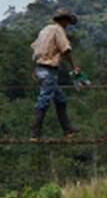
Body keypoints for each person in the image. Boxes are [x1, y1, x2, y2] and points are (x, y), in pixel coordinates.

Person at [30, 9, 81, 139]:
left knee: (61, 99)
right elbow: (66, 49)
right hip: (48, 70)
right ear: (64, 20)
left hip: (40, 68)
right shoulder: (58, 30)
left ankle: (68, 130)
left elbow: (36, 50)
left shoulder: (45, 30)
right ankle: (36, 133)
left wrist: (34, 70)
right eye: (68, 22)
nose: (68, 25)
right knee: (44, 99)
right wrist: (74, 66)